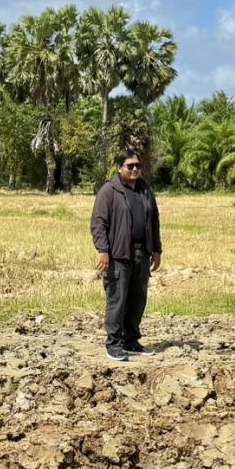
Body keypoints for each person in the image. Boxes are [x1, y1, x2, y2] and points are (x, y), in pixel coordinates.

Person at [90, 149, 163, 361]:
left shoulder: (145, 190)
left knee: (137, 299)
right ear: (119, 168)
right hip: (118, 255)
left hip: (142, 253)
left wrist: (156, 249)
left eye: (137, 166)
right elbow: (98, 223)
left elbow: (154, 221)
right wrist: (103, 250)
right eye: (129, 166)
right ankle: (113, 344)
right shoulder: (109, 191)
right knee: (117, 299)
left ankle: (131, 341)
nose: (134, 169)